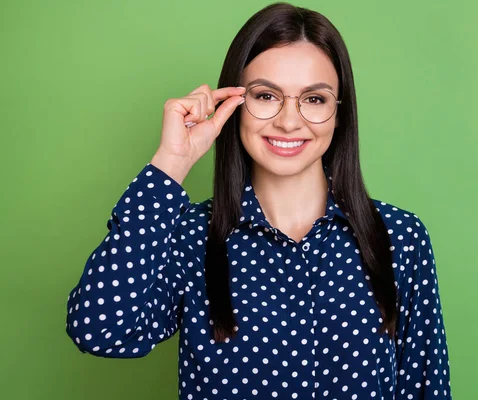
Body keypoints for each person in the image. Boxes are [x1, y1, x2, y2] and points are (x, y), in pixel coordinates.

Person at [65, 2, 452, 399]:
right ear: (234, 104)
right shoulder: (191, 236)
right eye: (267, 95)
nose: (288, 120)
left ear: (340, 113)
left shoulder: (399, 237)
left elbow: (426, 386)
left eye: (314, 99)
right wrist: (170, 165)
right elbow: (99, 331)